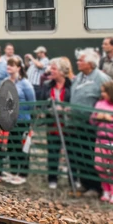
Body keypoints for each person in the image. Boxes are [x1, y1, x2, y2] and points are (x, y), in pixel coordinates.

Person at [68, 50, 110, 194]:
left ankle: (96, 186)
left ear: (91, 63)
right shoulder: (78, 77)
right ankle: (85, 184)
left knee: (92, 156)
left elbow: (110, 98)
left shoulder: (102, 78)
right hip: (75, 124)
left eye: (81, 60)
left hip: (93, 125)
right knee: (79, 155)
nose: (77, 62)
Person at [39, 58, 72, 189]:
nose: (50, 71)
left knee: (71, 154)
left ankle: (73, 180)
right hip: (52, 125)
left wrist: (64, 109)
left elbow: (74, 103)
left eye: (54, 69)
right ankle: (52, 179)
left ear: (62, 72)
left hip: (68, 126)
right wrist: (49, 109)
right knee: (52, 153)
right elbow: (42, 104)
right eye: (50, 68)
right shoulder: (47, 85)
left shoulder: (71, 85)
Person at [1, 56, 33, 183]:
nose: (9, 67)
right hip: (10, 121)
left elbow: (32, 102)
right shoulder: (5, 82)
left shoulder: (25, 84)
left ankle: (23, 173)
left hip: (23, 120)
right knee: (11, 147)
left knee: (23, 147)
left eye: (12, 65)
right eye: (8, 65)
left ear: (18, 68)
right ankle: (14, 172)